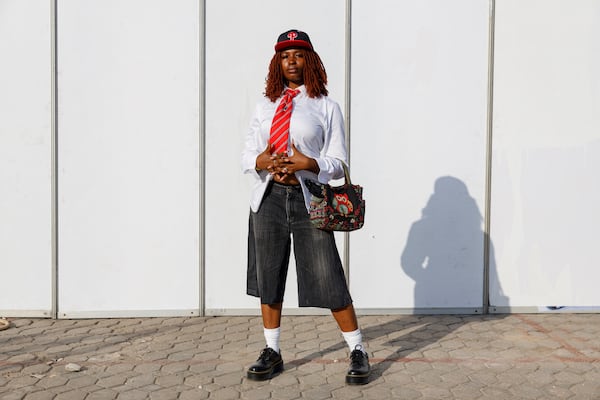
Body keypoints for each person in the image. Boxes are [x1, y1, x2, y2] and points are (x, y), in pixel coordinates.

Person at [241, 29, 370, 385]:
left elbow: (339, 161)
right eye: (285, 56)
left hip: (309, 200)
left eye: (298, 54)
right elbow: (246, 155)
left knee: (326, 273)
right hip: (267, 199)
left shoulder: (326, 106)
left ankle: (357, 349)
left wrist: (308, 163)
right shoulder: (264, 106)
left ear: (309, 60)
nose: (291, 61)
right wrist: (262, 160)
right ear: (277, 63)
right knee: (269, 275)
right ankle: (273, 350)